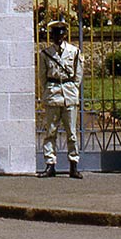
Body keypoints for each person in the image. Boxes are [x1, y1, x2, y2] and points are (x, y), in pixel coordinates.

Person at [38, 19, 84, 178]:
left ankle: (74, 165)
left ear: (65, 35)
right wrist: (49, 90)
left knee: (72, 132)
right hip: (53, 93)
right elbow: (42, 77)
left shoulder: (74, 52)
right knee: (51, 131)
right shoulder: (45, 54)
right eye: (55, 34)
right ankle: (50, 165)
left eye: (61, 34)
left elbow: (78, 74)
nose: (58, 37)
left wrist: (73, 88)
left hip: (69, 94)